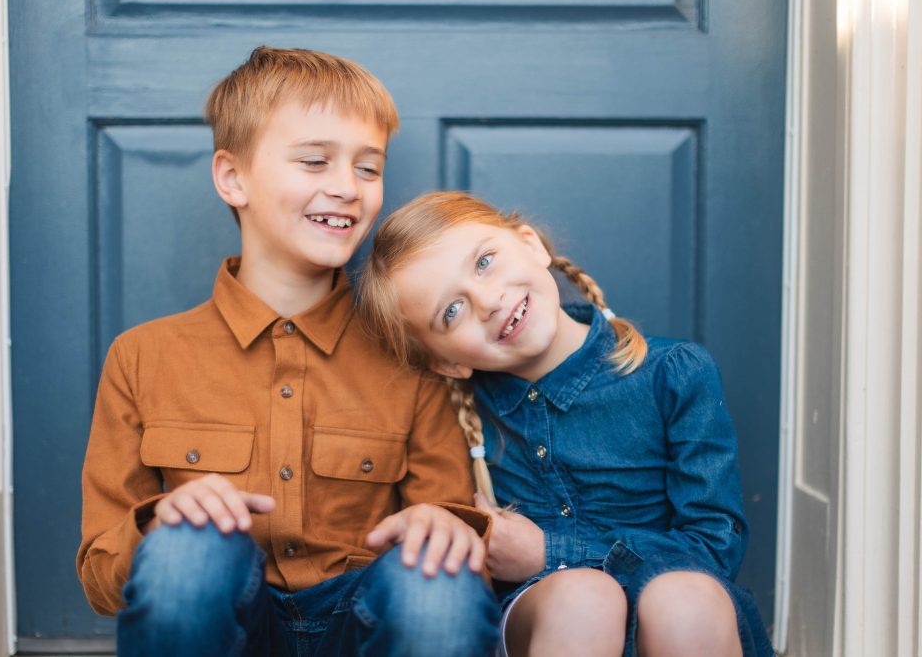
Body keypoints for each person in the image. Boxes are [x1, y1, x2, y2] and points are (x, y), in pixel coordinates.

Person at [76, 49, 499, 657]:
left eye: (369, 168)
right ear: (232, 178)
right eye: (313, 161)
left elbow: (448, 528)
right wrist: (162, 522)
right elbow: (99, 580)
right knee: (188, 548)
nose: (346, 188)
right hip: (231, 628)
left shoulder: (410, 353)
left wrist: (444, 527)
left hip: (366, 624)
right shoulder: (142, 357)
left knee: (437, 574)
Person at [358, 190, 776, 657]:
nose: (488, 301)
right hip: (549, 617)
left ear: (532, 244)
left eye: (484, 262)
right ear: (447, 363)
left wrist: (550, 552)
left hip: (679, 610)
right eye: (451, 312)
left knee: (685, 599)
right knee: (584, 599)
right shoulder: (462, 412)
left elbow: (714, 546)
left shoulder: (676, 372)